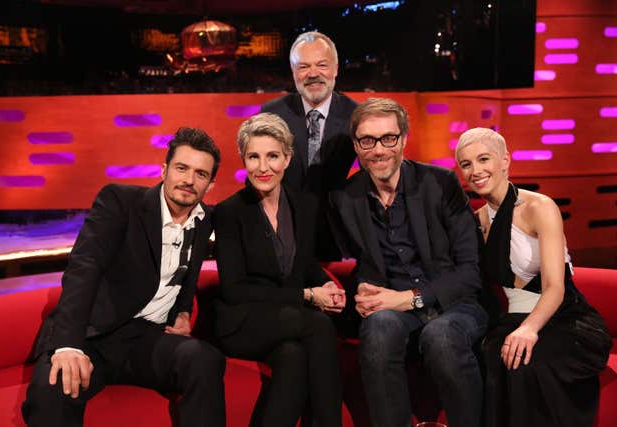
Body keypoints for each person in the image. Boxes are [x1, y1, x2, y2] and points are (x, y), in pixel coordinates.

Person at [22, 128, 226, 427]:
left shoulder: (203, 220)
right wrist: (68, 344)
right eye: (181, 168)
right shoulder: (119, 201)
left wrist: (183, 311)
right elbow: (84, 267)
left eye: (200, 174)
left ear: (210, 184)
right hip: (94, 334)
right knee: (52, 390)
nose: (189, 180)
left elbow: (188, 270)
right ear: (164, 169)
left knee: (205, 359)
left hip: (147, 340)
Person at [329, 98, 488, 427]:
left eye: (388, 138)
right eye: (367, 141)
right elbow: (360, 262)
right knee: (377, 327)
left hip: (454, 303)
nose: (378, 150)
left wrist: (411, 298)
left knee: (441, 336)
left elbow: (470, 272)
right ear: (357, 146)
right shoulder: (345, 197)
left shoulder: (440, 183)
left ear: (403, 139)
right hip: (395, 308)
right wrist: (362, 290)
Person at [455, 127, 612, 427]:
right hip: (511, 319)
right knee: (492, 355)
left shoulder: (540, 207)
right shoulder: (475, 222)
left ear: (505, 160)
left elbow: (555, 288)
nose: (475, 171)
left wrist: (529, 329)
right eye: (466, 164)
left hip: (564, 317)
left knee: (527, 362)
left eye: (484, 159)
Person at [212, 112, 346, 427]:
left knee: (293, 357)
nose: (263, 167)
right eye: (253, 157)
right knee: (318, 326)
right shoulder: (230, 212)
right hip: (242, 321)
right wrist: (309, 295)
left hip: (285, 321)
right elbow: (234, 289)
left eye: (272, 156)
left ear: (287, 159)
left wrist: (324, 285)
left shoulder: (303, 205)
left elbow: (301, 262)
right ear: (243, 161)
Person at [261, 31, 358, 260]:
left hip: (336, 235)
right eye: (303, 67)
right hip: (283, 232)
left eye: (321, 65)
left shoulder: (356, 115)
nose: (313, 74)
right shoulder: (271, 113)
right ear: (293, 72)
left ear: (335, 69)